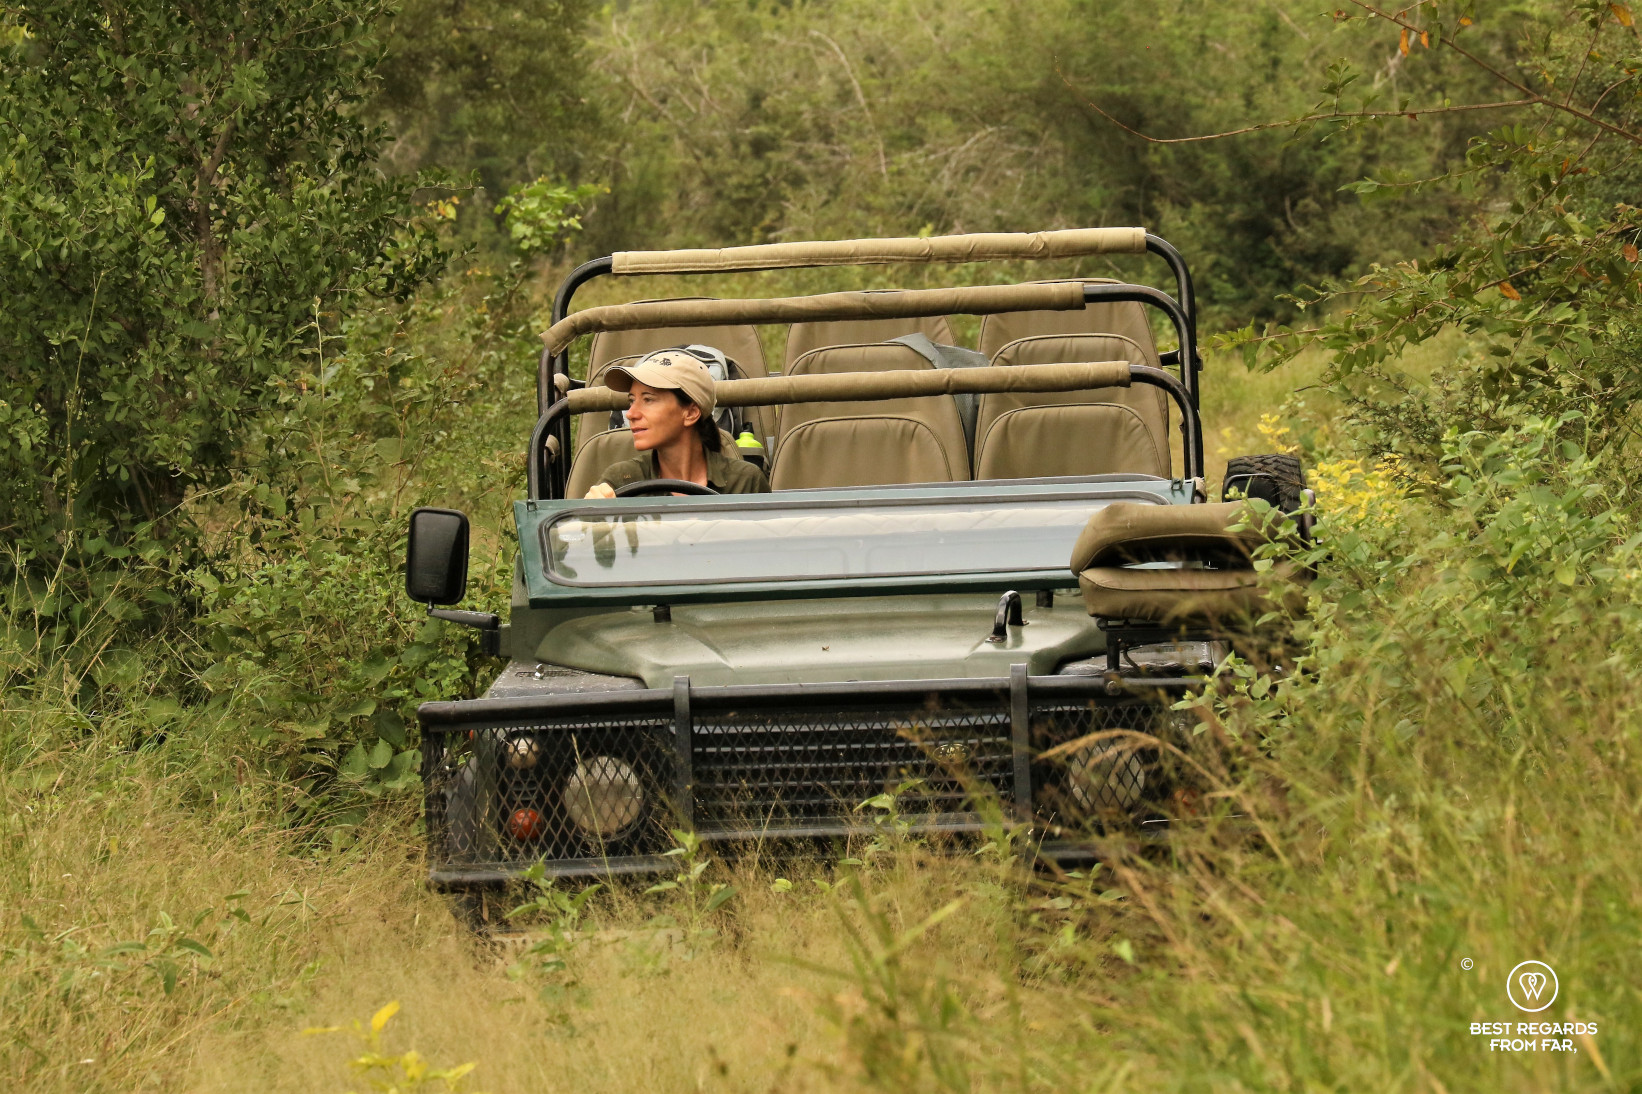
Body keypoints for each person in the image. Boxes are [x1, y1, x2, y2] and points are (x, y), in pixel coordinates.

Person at [584, 347, 770, 497]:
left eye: (648, 400)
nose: (631, 414)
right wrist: (593, 518)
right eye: (631, 401)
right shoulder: (621, 481)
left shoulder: (746, 482)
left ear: (690, 413)